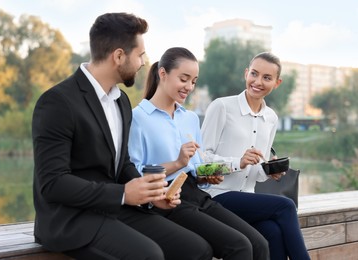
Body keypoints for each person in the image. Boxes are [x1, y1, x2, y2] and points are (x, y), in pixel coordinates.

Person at [32, 12, 214, 260]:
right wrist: (123, 194)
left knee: (196, 249)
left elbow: (124, 163)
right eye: (140, 55)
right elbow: (52, 184)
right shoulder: (57, 102)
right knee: (149, 255)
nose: (143, 63)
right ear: (118, 56)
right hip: (70, 218)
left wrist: (154, 196)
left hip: (114, 207)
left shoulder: (121, 102)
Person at [128, 47, 270, 260]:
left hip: (198, 194)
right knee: (238, 246)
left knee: (259, 244)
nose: (189, 87)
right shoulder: (137, 118)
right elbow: (135, 173)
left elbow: (197, 168)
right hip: (168, 200)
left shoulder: (190, 118)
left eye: (193, 81)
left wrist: (210, 175)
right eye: (184, 79)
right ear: (163, 73)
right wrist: (177, 162)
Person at [201, 52, 310, 260]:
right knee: (286, 206)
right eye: (254, 74)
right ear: (246, 74)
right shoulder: (221, 107)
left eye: (267, 78)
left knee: (274, 232)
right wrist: (237, 162)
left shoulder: (271, 118)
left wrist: (268, 171)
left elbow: (256, 174)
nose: (258, 82)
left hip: (247, 199)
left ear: (277, 83)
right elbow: (201, 164)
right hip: (216, 196)